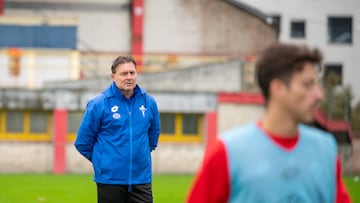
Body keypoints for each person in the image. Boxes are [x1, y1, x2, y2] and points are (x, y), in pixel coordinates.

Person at [187, 43, 352, 203]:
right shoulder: (226, 151)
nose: (319, 95)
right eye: (307, 85)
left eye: (317, 85)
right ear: (278, 88)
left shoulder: (325, 149)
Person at [74, 56, 160, 203]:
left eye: (132, 73)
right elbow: (83, 142)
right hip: (110, 180)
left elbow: (153, 136)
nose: (129, 77)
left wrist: (139, 153)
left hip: (141, 178)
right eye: (123, 74)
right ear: (113, 77)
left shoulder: (149, 102)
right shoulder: (98, 104)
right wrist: (104, 160)